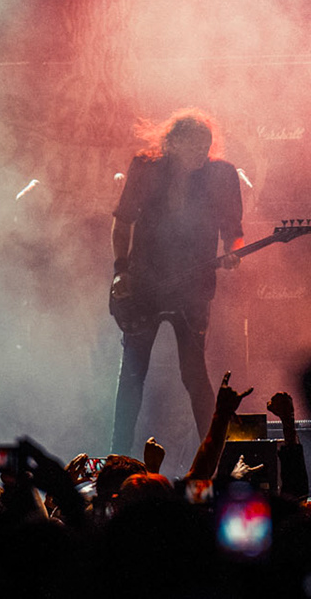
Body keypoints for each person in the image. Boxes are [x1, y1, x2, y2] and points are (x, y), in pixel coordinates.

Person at [109, 110, 244, 457]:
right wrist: (120, 271)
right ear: (172, 144)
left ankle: (216, 458)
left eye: (206, 148)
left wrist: (232, 252)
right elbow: (122, 223)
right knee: (133, 376)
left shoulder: (222, 175)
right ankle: (117, 457)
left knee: (194, 374)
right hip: (144, 285)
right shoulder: (146, 167)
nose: (202, 156)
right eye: (194, 148)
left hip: (193, 287)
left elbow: (235, 233)